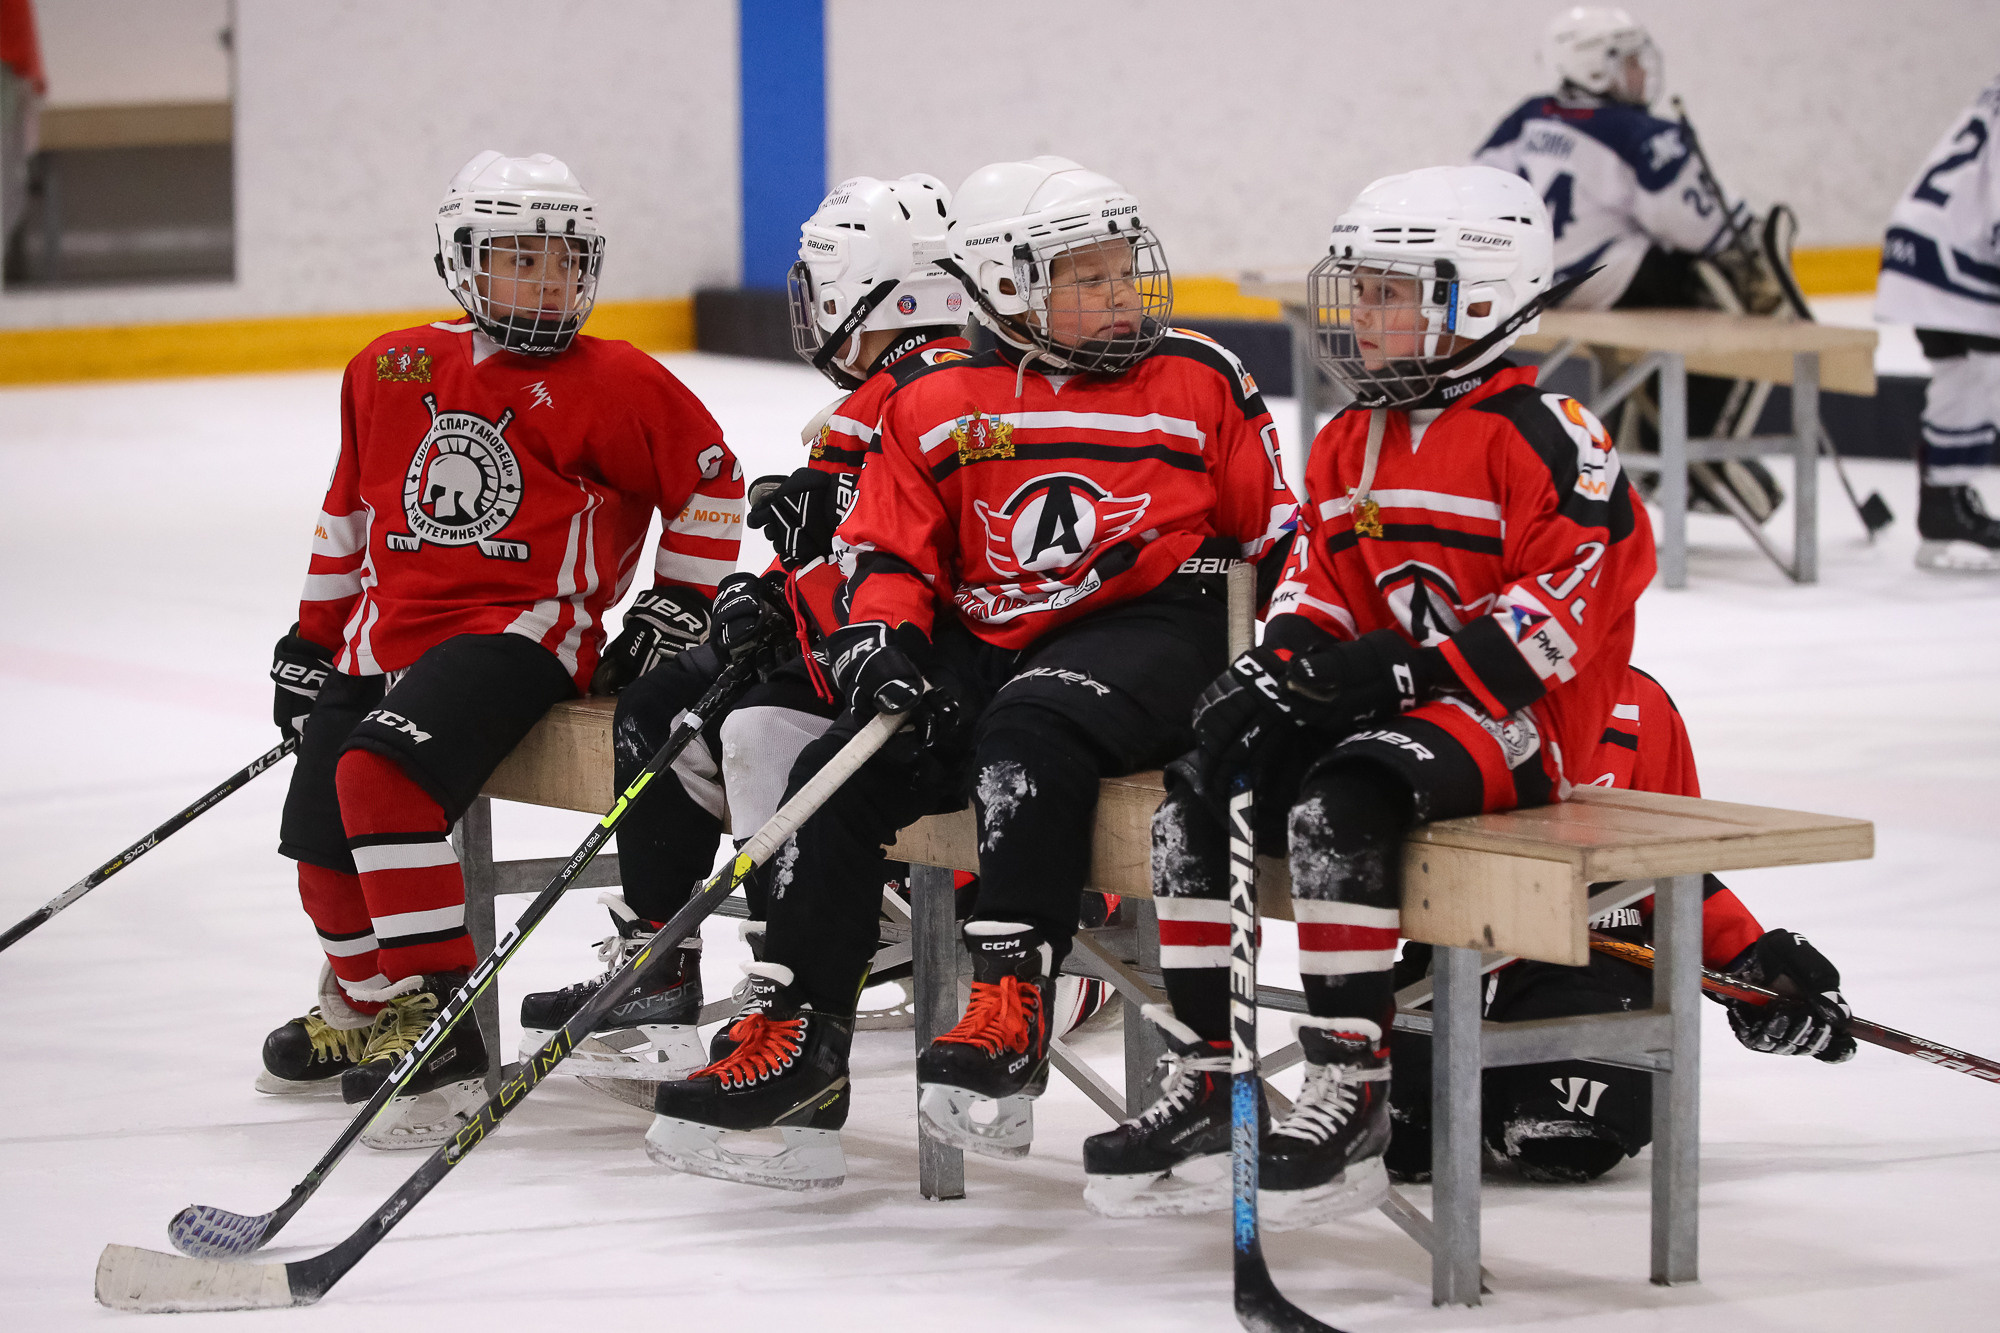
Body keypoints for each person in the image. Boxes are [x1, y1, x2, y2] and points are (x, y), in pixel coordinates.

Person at [645, 155, 1299, 1191]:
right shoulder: (930, 393)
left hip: (1149, 625)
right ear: (1002, 283)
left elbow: (1271, 537)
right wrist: (883, 639)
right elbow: (893, 551)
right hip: (997, 630)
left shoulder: (1200, 378)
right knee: (838, 770)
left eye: (1123, 269)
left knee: (1030, 730)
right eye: (1086, 277)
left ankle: (1010, 1005)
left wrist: (1243, 609)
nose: (1121, 293)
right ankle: (799, 1046)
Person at [1081, 164, 1655, 1230]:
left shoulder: (1549, 432)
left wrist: (1397, 670)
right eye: (1364, 289)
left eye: (1392, 292)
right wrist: (1274, 663)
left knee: (1335, 806)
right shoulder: (1354, 434)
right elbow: (1322, 587)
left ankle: (1353, 1085)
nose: (1362, 315)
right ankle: (1210, 1076)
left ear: (1475, 298)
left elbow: (1556, 616)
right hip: (1401, 718)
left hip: (1517, 730)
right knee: (1200, 789)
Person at [256, 151, 742, 1149]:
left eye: (565, 260)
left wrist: (676, 605)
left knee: (380, 780)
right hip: (386, 638)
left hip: (523, 630)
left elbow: (712, 480)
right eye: (520, 259)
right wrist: (311, 639)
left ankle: (442, 1031)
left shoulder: (618, 380)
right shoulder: (388, 366)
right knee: (317, 842)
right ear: (461, 259)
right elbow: (345, 515)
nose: (549, 280)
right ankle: (369, 1008)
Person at [512, 173, 974, 1089]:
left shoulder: (926, 399)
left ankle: (779, 975)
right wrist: (769, 589)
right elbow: (850, 551)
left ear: (859, 293)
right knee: (660, 703)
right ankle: (661, 960)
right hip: (854, 645)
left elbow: (915, 572)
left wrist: (795, 593)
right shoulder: (887, 393)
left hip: (912, 673)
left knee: (731, 726)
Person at [1381, 665, 1855, 1186]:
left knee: (1566, 1144)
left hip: (1594, 968)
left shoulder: (1639, 702)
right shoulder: (1428, 689)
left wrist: (1752, 965)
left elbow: (1672, 863)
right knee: (1406, 1144)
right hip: (1452, 958)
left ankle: (1511, 1088)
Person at [1474, 5, 1785, 520]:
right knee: (1722, 297)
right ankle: (1700, 451)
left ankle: (1648, 439)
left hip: (1531, 283)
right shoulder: (1640, 133)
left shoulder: (1528, 115)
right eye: (1628, 61)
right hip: (1602, 279)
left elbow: (1480, 184)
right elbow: (1701, 228)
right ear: (1595, 67)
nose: (1641, 72)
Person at [1876, 73, 2000, 571]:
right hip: (1959, 247)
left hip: (1918, 240)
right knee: (1978, 370)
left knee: (1963, 372)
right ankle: (1944, 500)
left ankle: (1943, 503)